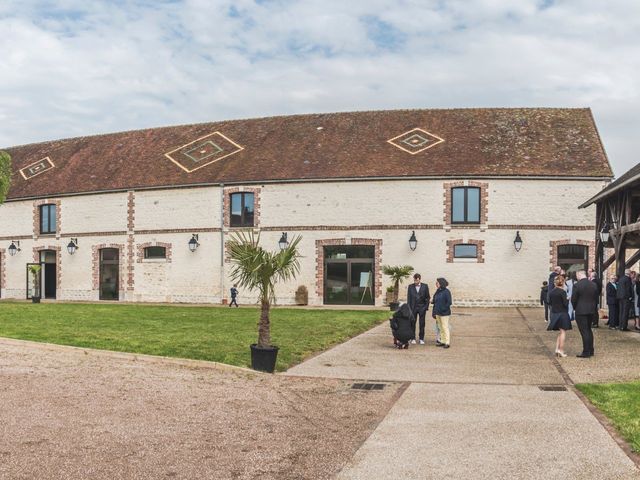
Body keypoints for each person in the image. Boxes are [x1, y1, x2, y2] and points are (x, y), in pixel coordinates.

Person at [571, 270, 599, 358]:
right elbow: (596, 297)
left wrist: (575, 308)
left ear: (579, 274)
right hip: (591, 310)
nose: (576, 277)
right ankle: (591, 350)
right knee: (589, 330)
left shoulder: (577, 285)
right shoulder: (593, 284)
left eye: (577, 275)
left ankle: (586, 351)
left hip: (581, 310)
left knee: (584, 331)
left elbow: (573, 299)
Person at [547, 275, 571, 357]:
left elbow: (549, 302)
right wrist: (567, 299)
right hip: (562, 313)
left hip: (555, 313)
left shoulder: (551, 292)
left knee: (560, 332)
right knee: (563, 332)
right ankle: (561, 350)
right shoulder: (563, 292)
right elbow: (565, 304)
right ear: (563, 282)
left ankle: (557, 349)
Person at [407, 273, 431, 345]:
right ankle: (413, 338)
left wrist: (426, 307)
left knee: (422, 324)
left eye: (417, 280)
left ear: (419, 279)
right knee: (412, 323)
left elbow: (428, 297)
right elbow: (409, 298)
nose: (415, 282)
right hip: (413, 308)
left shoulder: (425, 286)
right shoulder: (410, 287)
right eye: (414, 280)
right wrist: (409, 309)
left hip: (422, 308)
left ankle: (421, 338)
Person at [432, 277, 452, 348]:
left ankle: (447, 342)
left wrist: (443, 309)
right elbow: (434, 299)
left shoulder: (447, 292)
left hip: (444, 313)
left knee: (445, 327)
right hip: (438, 313)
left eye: (437, 282)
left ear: (441, 283)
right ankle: (442, 341)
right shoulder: (438, 291)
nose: (436, 284)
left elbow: (449, 302)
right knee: (440, 327)